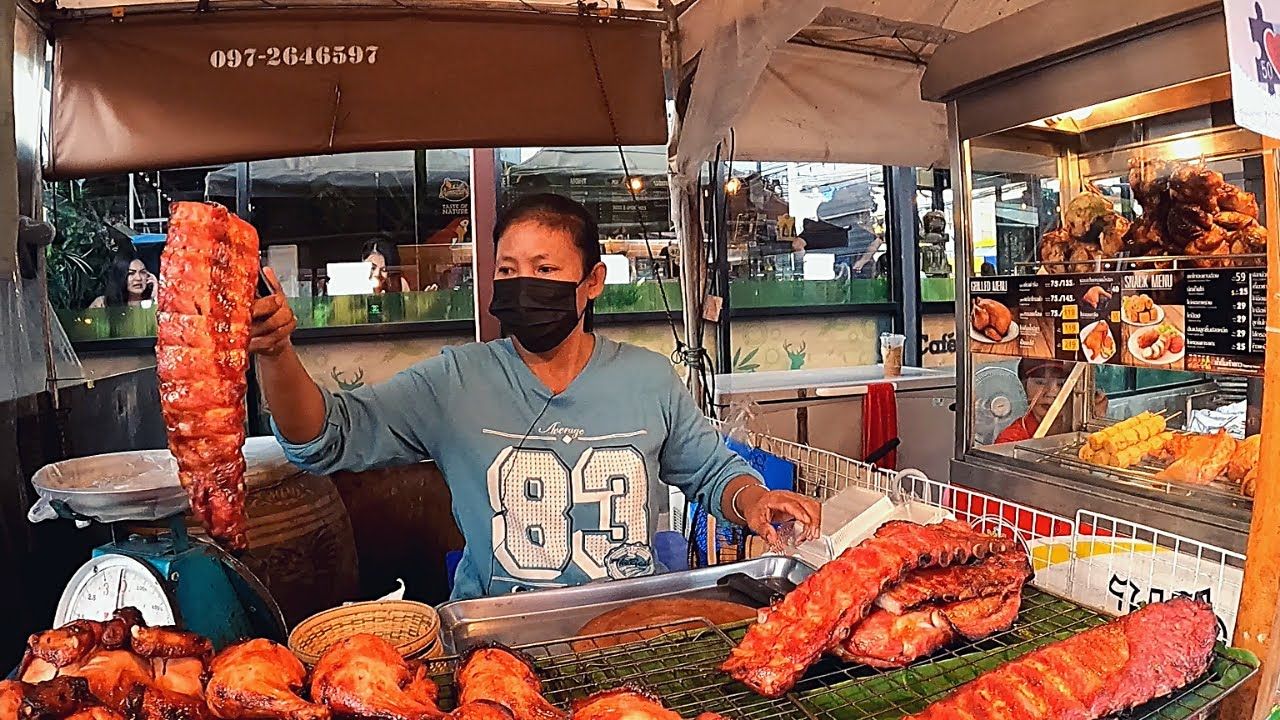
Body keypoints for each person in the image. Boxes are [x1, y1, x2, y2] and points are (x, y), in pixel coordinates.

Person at [252, 193, 821, 599]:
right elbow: (323, 438)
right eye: (508, 269)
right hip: (495, 634)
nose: (524, 284)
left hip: (624, 627)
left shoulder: (648, 379)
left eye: (545, 269)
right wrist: (276, 353)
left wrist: (753, 502)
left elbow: (715, 474)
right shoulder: (454, 382)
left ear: (592, 282)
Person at [996, 359, 1108, 443]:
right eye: (1040, 382)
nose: (1050, 393)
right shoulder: (1010, 439)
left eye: (1061, 384)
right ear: (1024, 386)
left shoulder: (1077, 425)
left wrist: (1096, 423)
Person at [89, 253, 156, 309]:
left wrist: (155, 294)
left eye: (142, 272)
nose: (138, 278)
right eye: (131, 273)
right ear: (120, 276)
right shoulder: (102, 303)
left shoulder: (152, 301)